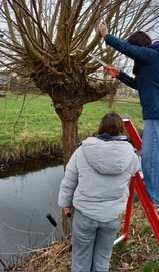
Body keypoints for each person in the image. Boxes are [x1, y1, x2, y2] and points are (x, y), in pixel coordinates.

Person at [99, 21, 159, 210]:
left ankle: (157, 198)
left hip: (157, 113)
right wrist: (120, 74)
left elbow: (128, 49)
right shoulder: (155, 59)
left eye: (135, 49)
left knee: (153, 157)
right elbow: (139, 85)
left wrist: (107, 37)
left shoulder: (153, 53)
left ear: (139, 46)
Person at [58, 112, 140, 272]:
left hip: (85, 216)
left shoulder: (82, 151)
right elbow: (136, 170)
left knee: (81, 261)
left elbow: (69, 180)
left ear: (101, 127)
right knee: (102, 261)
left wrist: (65, 204)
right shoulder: (130, 154)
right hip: (111, 217)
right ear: (120, 130)